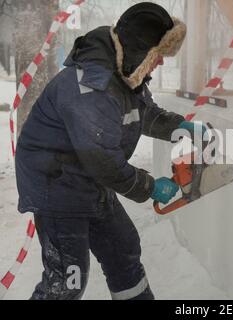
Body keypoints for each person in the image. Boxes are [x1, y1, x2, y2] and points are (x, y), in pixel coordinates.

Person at [15, 2, 204, 300]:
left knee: (123, 249)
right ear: (141, 49)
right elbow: (103, 160)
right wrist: (150, 187)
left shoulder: (126, 73)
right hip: (56, 184)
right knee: (68, 278)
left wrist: (183, 127)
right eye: (158, 55)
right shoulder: (91, 85)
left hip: (90, 180)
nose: (161, 63)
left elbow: (145, 114)